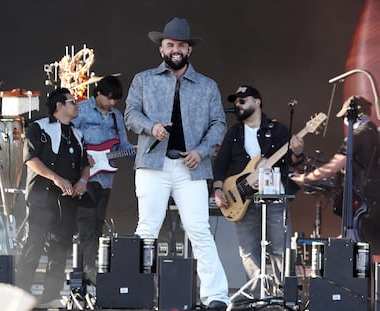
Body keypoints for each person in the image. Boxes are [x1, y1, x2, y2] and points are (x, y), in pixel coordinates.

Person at [124, 17, 230, 308]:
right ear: (161, 49)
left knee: (199, 229)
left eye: (180, 45)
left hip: (190, 167)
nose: (175, 49)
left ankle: (216, 296)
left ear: (189, 50)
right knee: (147, 229)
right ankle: (138, 292)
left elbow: (219, 123)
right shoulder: (143, 79)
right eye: (170, 44)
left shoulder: (207, 86)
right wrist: (151, 127)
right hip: (153, 164)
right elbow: (130, 115)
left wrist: (202, 150)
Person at [212, 85, 304, 299]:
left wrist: (298, 152)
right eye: (236, 101)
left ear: (257, 102)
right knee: (248, 251)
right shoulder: (234, 132)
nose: (238, 105)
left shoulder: (278, 130)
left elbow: (294, 163)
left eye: (242, 101)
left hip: (273, 199)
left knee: (280, 250)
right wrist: (218, 189)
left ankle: (284, 298)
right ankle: (255, 296)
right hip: (241, 200)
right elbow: (220, 163)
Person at [15, 88, 91, 307]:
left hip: (67, 200)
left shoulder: (77, 134)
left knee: (61, 246)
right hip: (41, 196)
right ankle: (21, 294)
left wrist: (82, 182)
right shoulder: (39, 127)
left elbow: (85, 165)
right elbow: (30, 159)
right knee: (35, 243)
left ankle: (51, 294)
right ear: (59, 105)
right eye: (73, 101)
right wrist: (56, 178)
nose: (77, 105)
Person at [291, 95, 380, 253]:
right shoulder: (376, 133)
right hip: (375, 201)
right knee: (370, 251)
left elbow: (333, 167)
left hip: (364, 204)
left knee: (354, 249)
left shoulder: (358, 136)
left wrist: (306, 178)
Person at [71, 75, 135, 281]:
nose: (112, 103)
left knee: (98, 222)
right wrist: (82, 156)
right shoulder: (81, 109)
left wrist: (140, 150)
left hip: (106, 179)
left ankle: (89, 268)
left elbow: (123, 145)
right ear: (98, 93)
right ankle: (84, 269)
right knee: (86, 222)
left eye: (115, 99)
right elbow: (68, 135)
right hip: (85, 176)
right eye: (109, 98)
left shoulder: (116, 116)